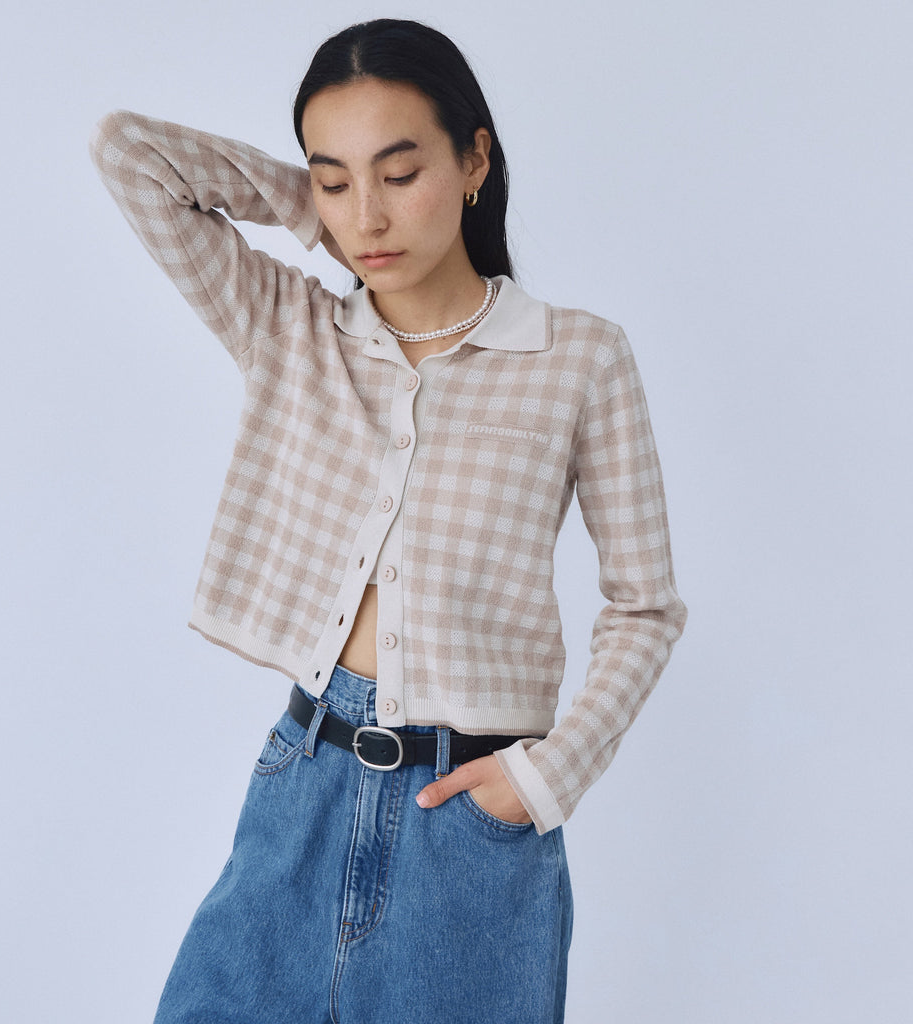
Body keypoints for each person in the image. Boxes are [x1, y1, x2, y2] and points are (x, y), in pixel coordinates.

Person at [90, 17, 685, 1024]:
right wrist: (315, 209)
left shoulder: (579, 358)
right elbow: (128, 155)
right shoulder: (289, 325)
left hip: (470, 822)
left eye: (399, 174)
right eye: (335, 179)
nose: (368, 214)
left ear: (474, 160)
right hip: (303, 784)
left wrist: (548, 776)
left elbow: (645, 607)